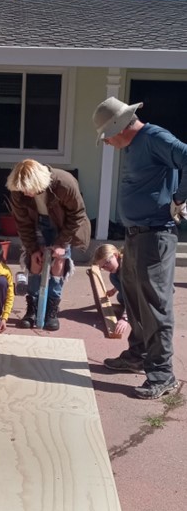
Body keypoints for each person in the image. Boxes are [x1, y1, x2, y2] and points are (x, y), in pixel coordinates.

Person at [92, 96, 187, 398]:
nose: (107, 143)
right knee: (133, 299)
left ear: (119, 126)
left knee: (155, 305)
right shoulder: (136, 144)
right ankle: (137, 355)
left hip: (156, 235)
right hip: (136, 235)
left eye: (107, 137)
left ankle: (162, 376)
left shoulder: (154, 137)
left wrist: (179, 198)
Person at [6, 159, 90, 330]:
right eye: (22, 190)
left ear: (39, 182)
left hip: (64, 225)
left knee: (59, 261)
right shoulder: (18, 189)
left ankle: (52, 310)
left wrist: (61, 243)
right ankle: (33, 309)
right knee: (35, 261)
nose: (26, 194)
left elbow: (77, 215)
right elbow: (22, 222)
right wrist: (33, 249)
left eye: (28, 190)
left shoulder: (64, 183)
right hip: (38, 223)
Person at [93, 243, 129, 337]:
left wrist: (125, 318)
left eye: (108, 262)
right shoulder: (116, 271)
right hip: (130, 292)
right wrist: (114, 290)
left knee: (125, 297)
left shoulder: (127, 269)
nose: (106, 267)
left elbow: (133, 294)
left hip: (145, 295)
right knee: (120, 296)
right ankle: (130, 308)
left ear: (116, 255)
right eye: (103, 267)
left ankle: (134, 311)